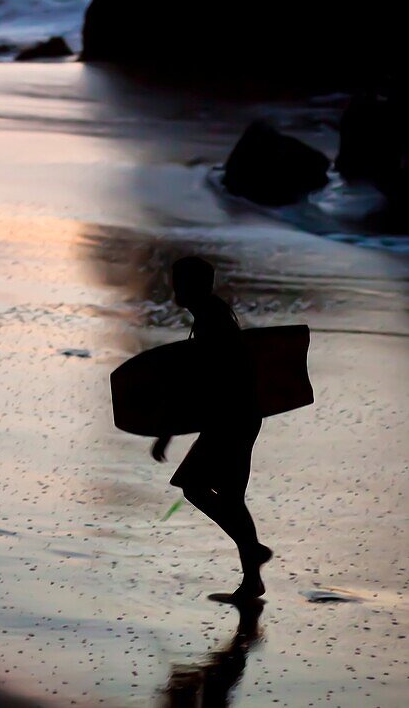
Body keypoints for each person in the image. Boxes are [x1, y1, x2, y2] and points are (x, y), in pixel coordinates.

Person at [151, 256, 272, 599]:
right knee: (231, 497)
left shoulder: (211, 322)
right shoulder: (213, 314)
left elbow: (196, 384)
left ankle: (251, 550)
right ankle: (252, 575)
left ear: (194, 286)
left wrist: (166, 431)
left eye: (179, 283)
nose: (174, 289)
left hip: (231, 420)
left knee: (194, 487)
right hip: (240, 416)